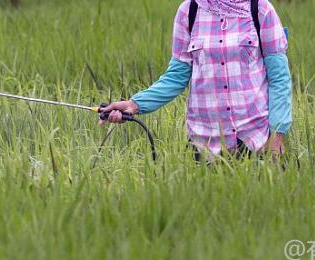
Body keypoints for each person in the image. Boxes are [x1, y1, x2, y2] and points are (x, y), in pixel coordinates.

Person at [100, 0, 292, 160]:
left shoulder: (260, 9)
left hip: (255, 142)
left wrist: (276, 138)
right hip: (203, 147)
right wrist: (134, 104)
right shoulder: (189, 11)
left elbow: (279, 79)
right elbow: (176, 77)